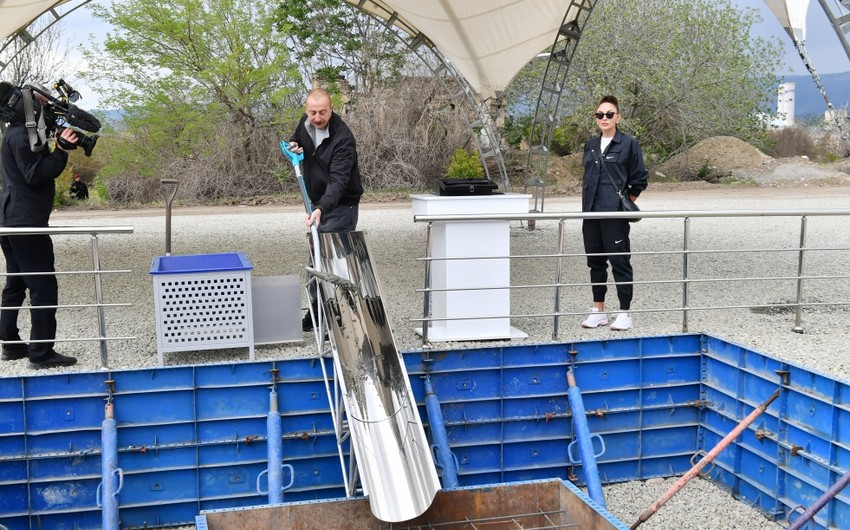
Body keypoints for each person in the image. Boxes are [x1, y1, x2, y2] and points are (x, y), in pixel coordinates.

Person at [0, 87, 80, 368]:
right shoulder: (21, 135)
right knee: (43, 286)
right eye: (34, 101)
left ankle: (10, 344)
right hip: (25, 222)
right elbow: (34, 175)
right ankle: (41, 353)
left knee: (16, 283)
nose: (38, 104)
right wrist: (61, 152)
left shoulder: (17, 132)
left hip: (12, 218)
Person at [287, 88, 363, 332]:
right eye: (312, 113)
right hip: (317, 202)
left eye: (322, 112)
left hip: (341, 204)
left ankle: (341, 317)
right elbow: (297, 139)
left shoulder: (343, 139)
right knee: (316, 257)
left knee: (333, 261)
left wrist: (321, 208)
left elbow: (339, 181)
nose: (317, 118)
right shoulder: (305, 123)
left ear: (331, 109)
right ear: (306, 110)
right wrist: (294, 145)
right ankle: (317, 312)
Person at [579, 95, 648, 331]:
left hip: (614, 216)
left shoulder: (629, 144)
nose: (604, 118)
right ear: (595, 118)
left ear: (618, 117)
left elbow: (639, 179)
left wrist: (623, 204)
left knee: (620, 261)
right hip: (590, 215)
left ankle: (624, 313)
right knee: (595, 263)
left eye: (609, 114)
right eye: (600, 115)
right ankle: (598, 310)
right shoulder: (589, 145)